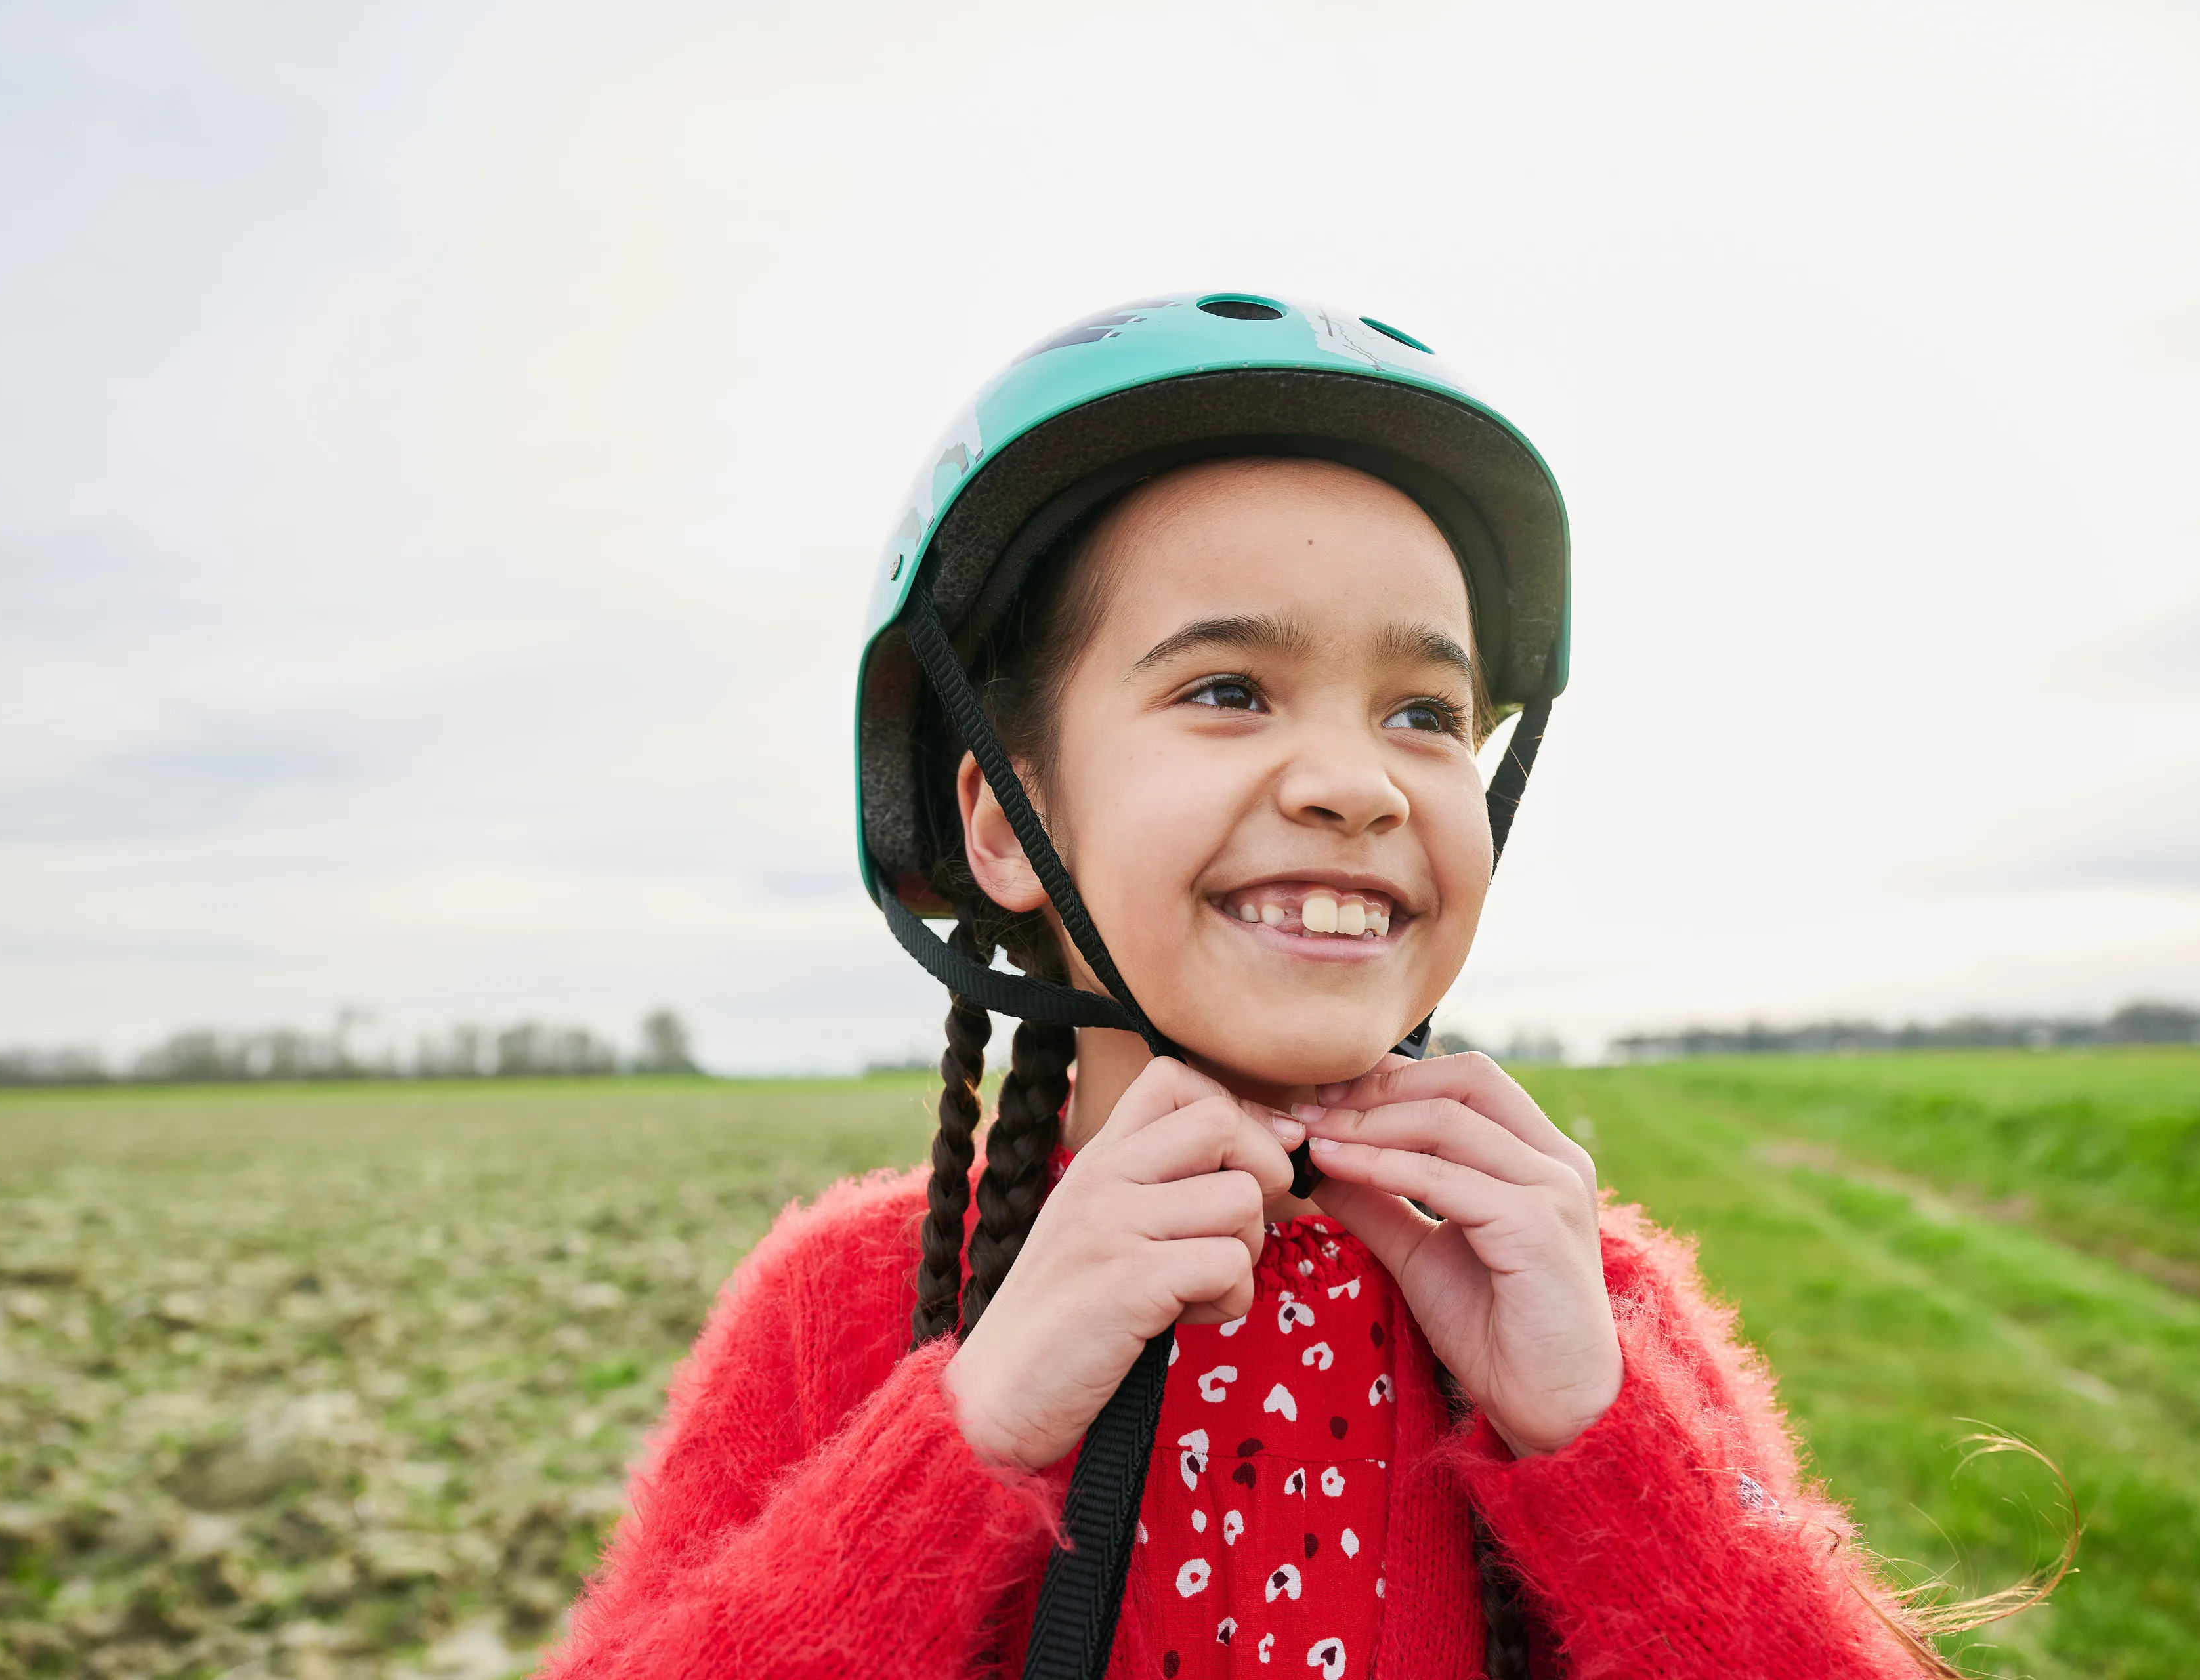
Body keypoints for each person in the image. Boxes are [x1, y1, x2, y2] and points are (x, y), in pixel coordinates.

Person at [542, 295, 1953, 1678]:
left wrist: (1604, 1439)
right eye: (1228, 688)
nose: (1354, 782)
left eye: (1424, 713)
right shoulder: (841, 1304)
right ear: (999, 820)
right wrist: (967, 1428)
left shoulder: (1589, 1298)